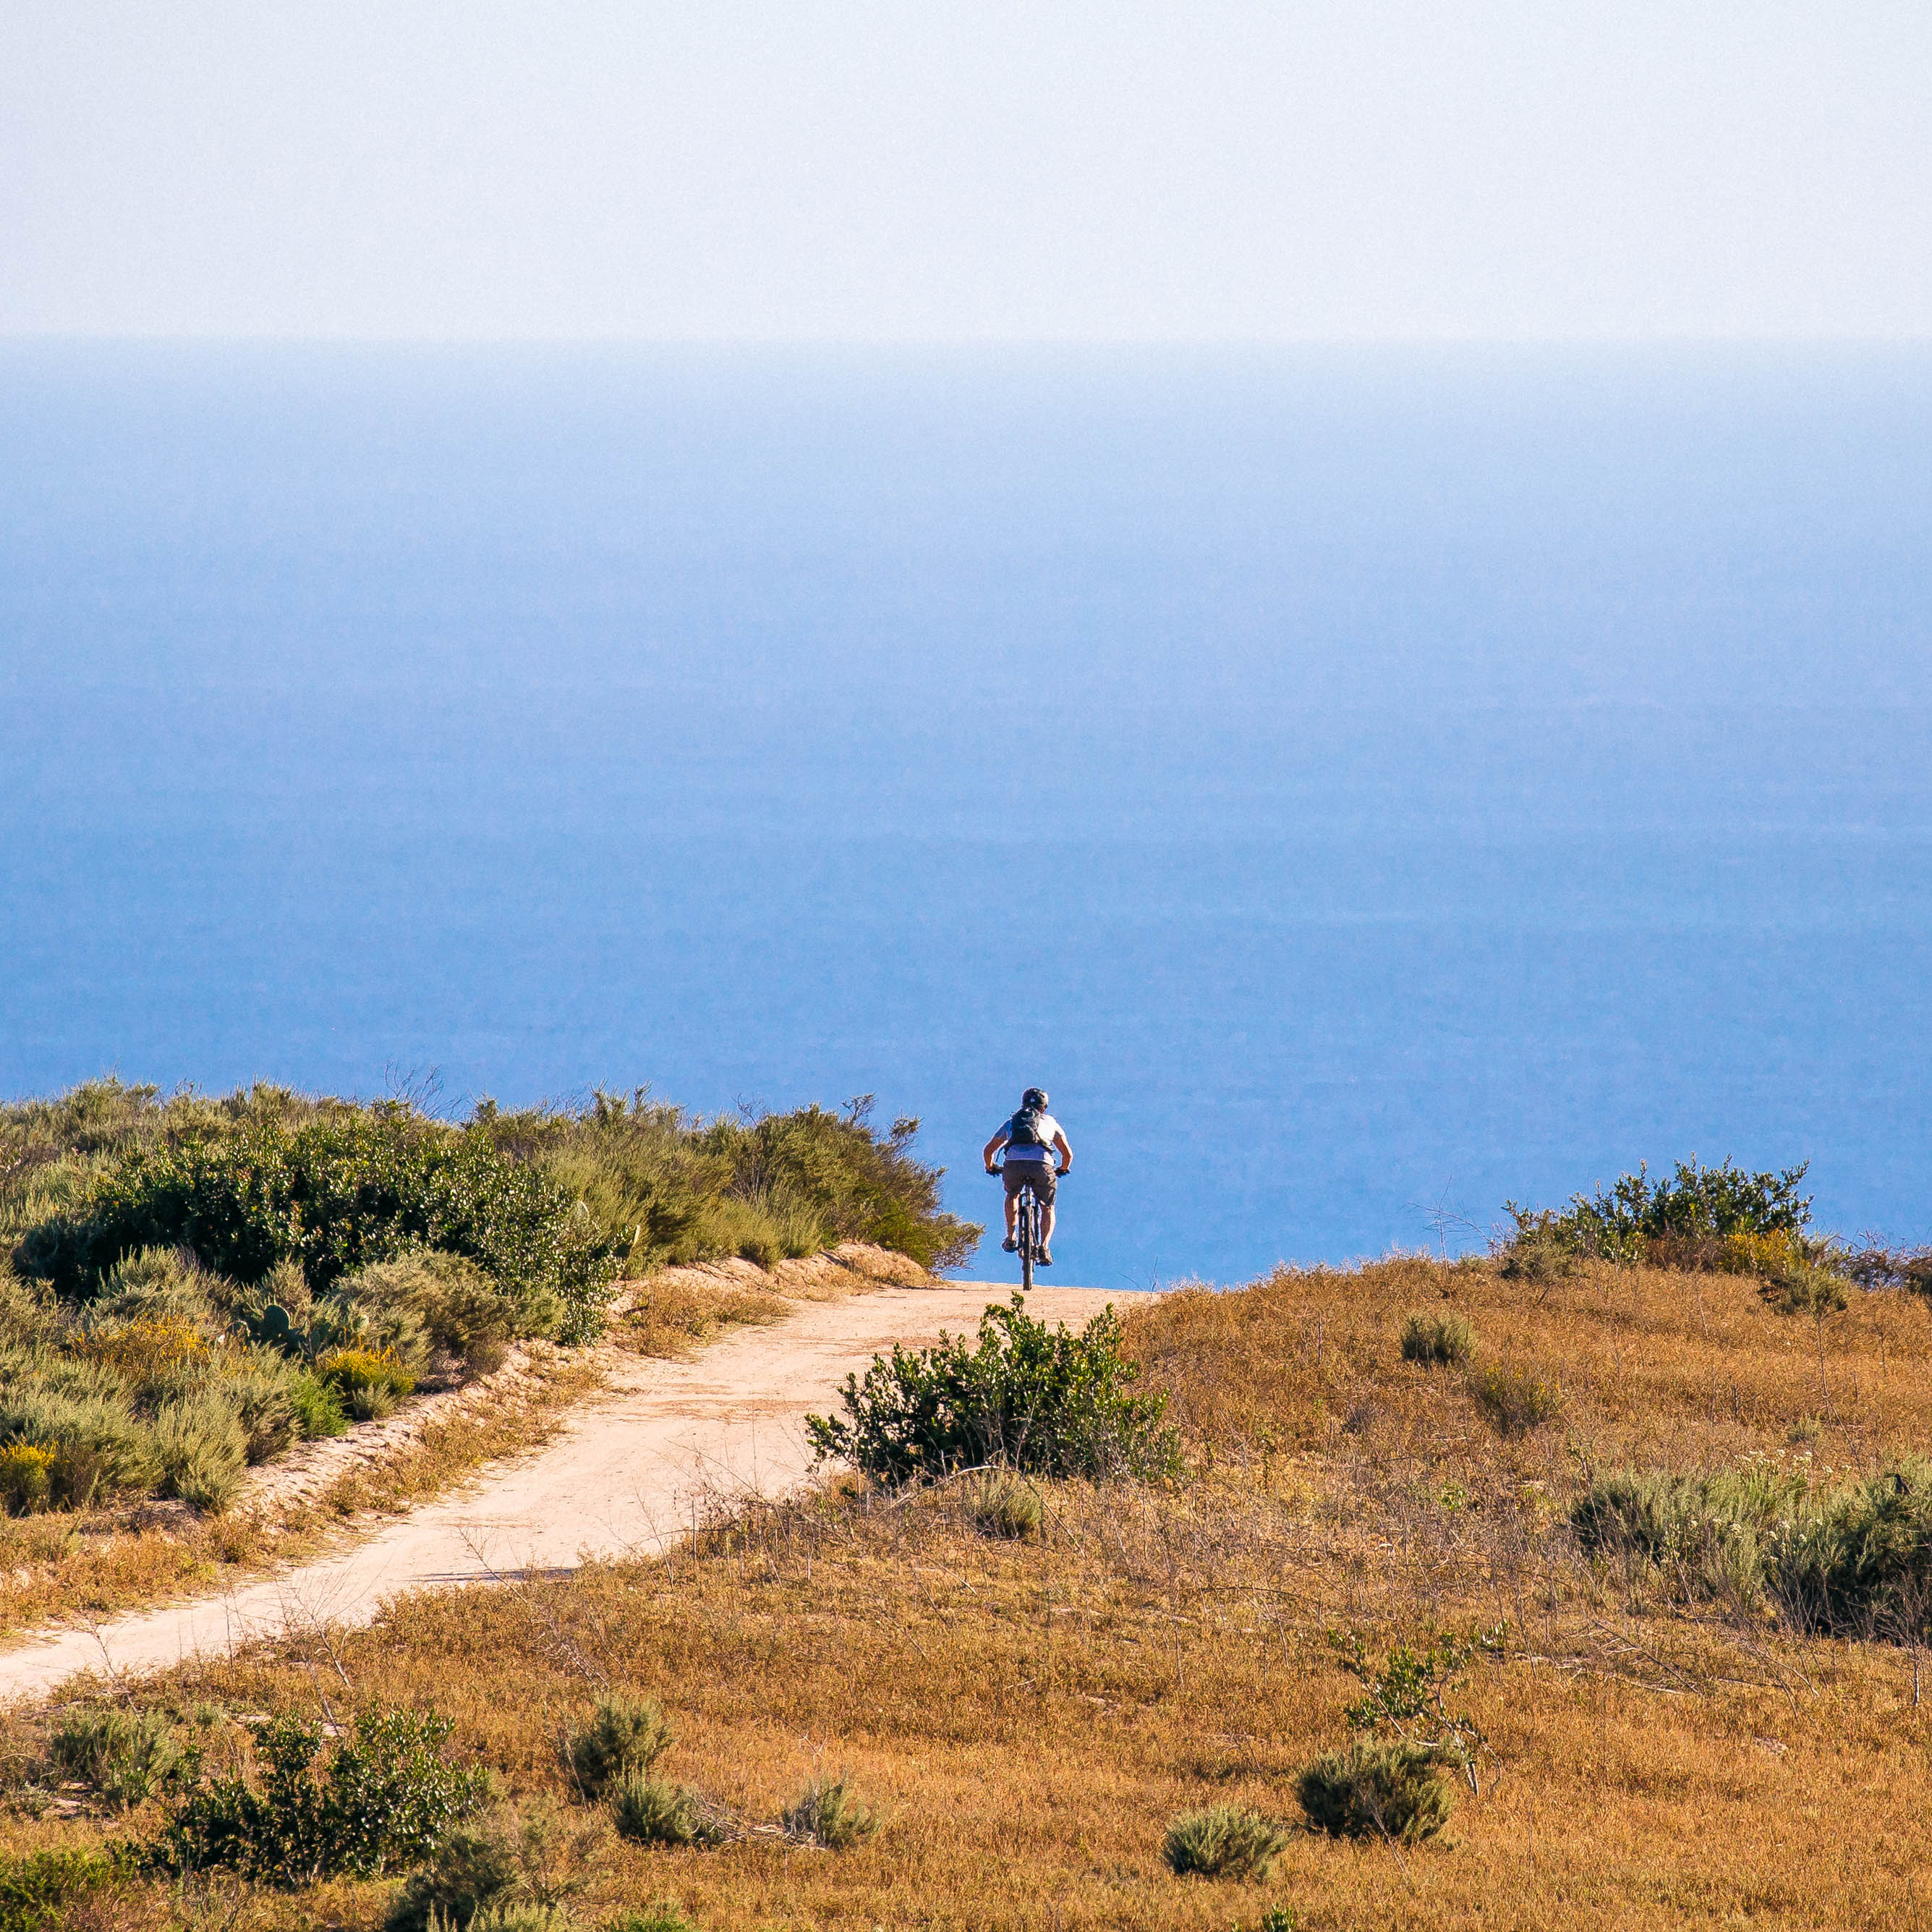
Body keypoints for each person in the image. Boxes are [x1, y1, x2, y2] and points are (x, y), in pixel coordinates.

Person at [982, 1087, 1072, 1267]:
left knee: (1012, 1195)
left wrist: (990, 1166)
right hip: (1042, 1165)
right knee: (1047, 1206)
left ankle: (1011, 1237)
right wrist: (1063, 1169)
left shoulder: (1012, 1122)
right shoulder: (1051, 1122)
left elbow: (988, 1150)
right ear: (1044, 1108)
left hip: (1014, 1165)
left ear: (1023, 1105)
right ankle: (1044, 1247)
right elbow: (1067, 1154)